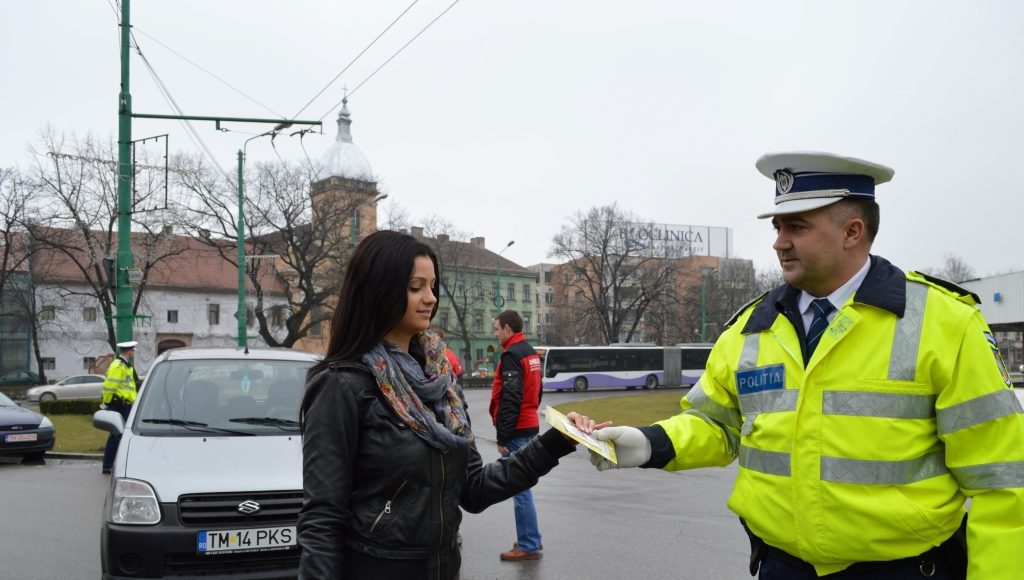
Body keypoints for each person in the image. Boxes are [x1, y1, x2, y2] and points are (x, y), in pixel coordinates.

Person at [585, 152, 1024, 579]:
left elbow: (1003, 482)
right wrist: (646, 443)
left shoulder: (945, 323)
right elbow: (717, 423)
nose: (779, 241)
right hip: (780, 568)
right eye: (777, 226)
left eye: (796, 226)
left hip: (905, 570)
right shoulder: (749, 329)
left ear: (852, 232)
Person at [297, 230, 602, 579]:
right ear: (377, 290)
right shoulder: (341, 385)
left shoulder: (441, 381)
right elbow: (322, 520)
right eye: (415, 287)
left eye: (432, 286)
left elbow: (473, 487)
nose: (430, 298)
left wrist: (557, 441)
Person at [489, 309, 545, 561]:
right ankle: (530, 539)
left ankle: (528, 544)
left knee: (520, 488)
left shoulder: (512, 355)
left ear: (508, 328)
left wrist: (503, 436)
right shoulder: (531, 352)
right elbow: (537, 390)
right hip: (529, 423)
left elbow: (511, 398)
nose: (495, 333)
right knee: (523, 485)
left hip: (518, 430)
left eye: (497, 328)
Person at [101, 340, 139, 474]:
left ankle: (111, 464)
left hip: (127, 405)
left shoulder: (125, 366)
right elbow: (110, 386)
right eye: (133, 350)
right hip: (120, 405)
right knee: (116, 435)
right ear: (129, 351)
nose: (134, 352)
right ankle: (108, 465)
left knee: (120, 435)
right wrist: (107, 403)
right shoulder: (118, 365)